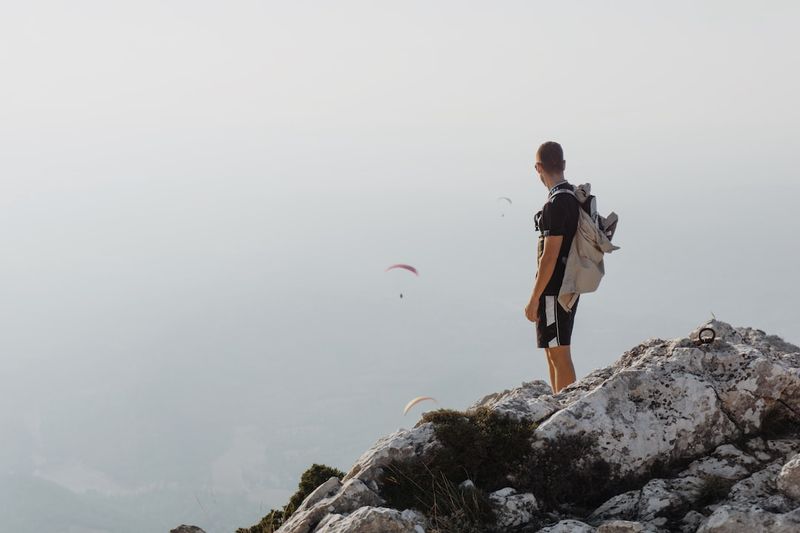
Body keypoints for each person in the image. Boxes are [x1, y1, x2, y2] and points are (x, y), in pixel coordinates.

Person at [524, 141, 581, 394]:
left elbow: (549, 256)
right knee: (551, 351)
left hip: (554, 289)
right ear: (564, 165)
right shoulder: (572, 196)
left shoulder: (554, 205)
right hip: (569, 281)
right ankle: (558, 401)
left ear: (538, 168)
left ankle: (568, 409)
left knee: (559, 353)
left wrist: (534, 298)